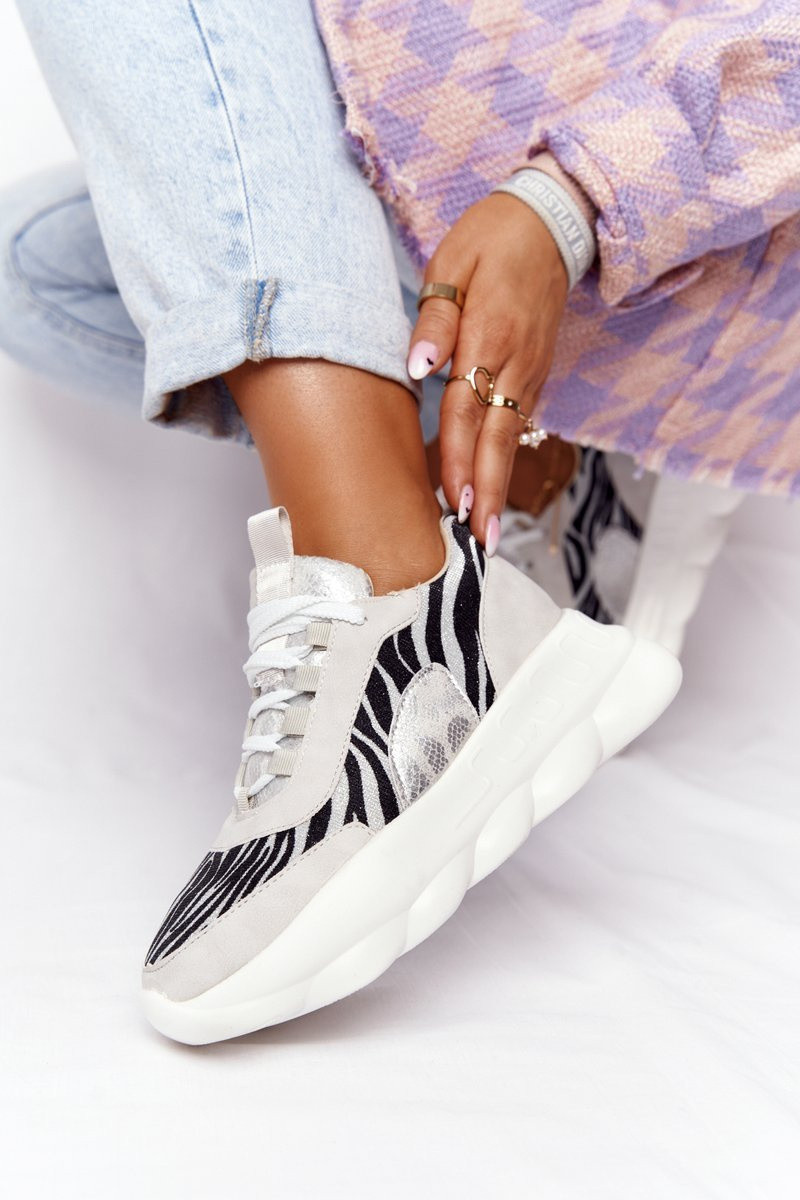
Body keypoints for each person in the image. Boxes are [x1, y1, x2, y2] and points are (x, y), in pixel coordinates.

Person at [1, 0, 795, 1044]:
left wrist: (569, 200)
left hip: (673, 198)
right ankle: (555, 458)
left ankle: (393, 591)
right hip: (440, 155)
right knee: (34, 267)